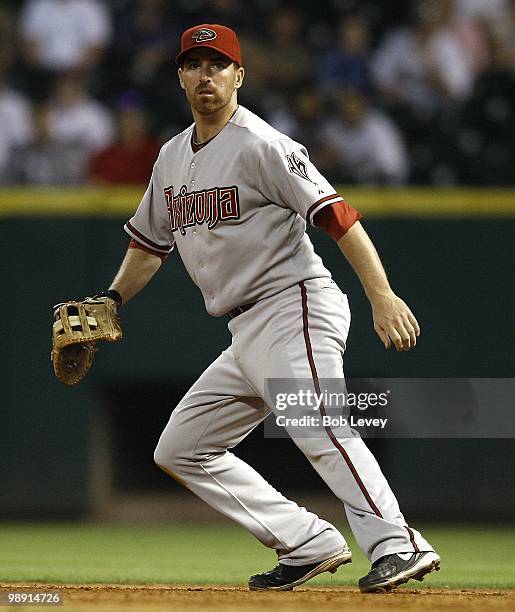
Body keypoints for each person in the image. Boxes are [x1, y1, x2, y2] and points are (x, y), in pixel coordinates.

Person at [93, 24, 441, 593]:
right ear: (180, 76)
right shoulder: (172, 156)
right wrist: (111, 299)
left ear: (239, 76)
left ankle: (398, 542)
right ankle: (306, 541)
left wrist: (380, 293)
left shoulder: (262, 144)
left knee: (316, 421)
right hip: (245, 328)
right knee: (183, 447)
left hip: (295, 304)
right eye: (194, 64)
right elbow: (148, 246)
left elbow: (338, 216)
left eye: (218, 64)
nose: (206, 75)